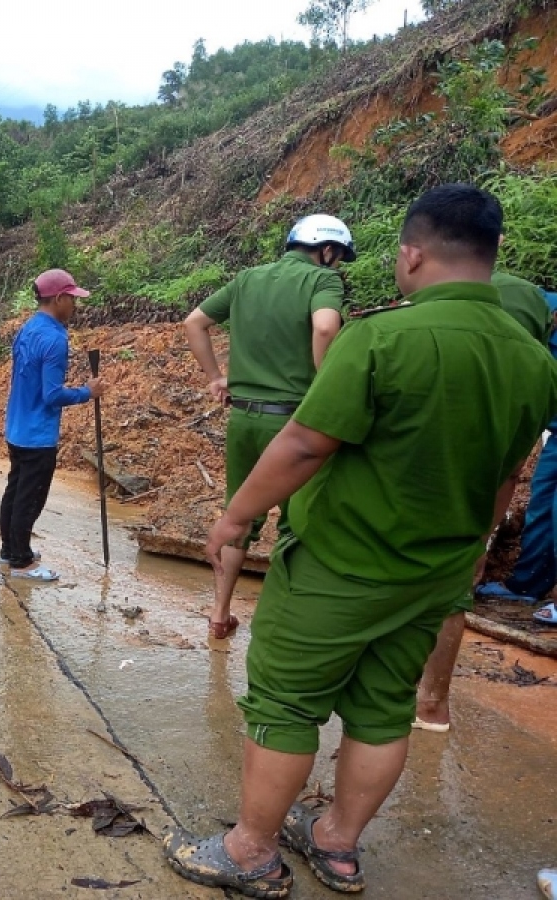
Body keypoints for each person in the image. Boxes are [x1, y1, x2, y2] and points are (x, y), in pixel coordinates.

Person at [163, 185, 557, 898]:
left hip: (340, 563)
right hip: (434, 574)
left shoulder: (381, 338)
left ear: (411, 254)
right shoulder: (536, 364)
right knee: (381, 711)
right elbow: (506, 477)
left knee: (284, 704)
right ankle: (337, 844)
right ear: (493, 256)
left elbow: (307, 443)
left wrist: (233, 519)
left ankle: (250, 851)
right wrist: (470, 553)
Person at [183, 214, 352, 640]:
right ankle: (282, 625)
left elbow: (194, 322)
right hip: (296, 424)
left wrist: (215, 377)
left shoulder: (247, 279)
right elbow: (326, 326)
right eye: (337, 257)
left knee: (239, 514)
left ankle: (219, 615)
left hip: (245, 418)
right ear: (326, 250)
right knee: (298, 522)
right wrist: (323, 383)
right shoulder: (322, 281)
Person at [414, 280, 557, 730]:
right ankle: (527, 583)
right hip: (534, 438)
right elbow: (512, 470)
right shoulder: (532, 337)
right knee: (542, 502)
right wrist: (482, 538)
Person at [0, 269, 105, 582]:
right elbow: (52, 395)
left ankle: (10, 549)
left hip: (17, 428)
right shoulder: (55, 338)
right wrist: (88, 392)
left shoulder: (28, 329)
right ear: (58, 298)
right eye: (72, 298)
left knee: (15, 490)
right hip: (37, 435)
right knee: (30, 498)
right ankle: (21, 561)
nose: (75, 305)